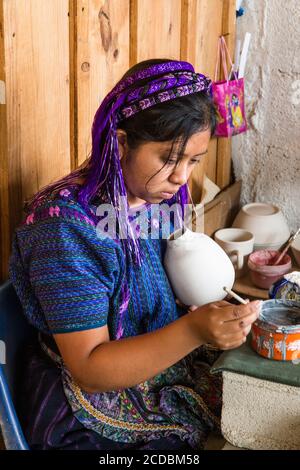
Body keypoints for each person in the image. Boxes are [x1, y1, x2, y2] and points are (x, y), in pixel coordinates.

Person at [9, 58, 261, 450]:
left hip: (150, 361)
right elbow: (89, 368)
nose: (182, 177)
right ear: (122, 142)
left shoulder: (149, 197)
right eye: (169, 158)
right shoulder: (63, 227)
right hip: (83, 404)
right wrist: (193, 331)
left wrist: (193, 301)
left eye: (193, 160)